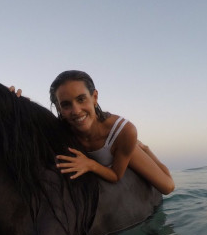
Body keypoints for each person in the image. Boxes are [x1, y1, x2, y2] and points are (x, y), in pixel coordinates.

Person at [10, 70, 175, 195]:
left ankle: (144, 148)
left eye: (81, 99)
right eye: (66, 105)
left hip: (116, 145)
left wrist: (90, 165)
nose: (76, 110)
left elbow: (116, 175)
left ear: (94, 97)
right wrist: (14, 104)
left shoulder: (124, 130)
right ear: (59, 108)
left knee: (167, 187)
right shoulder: (59, 128)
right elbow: (30, 128)